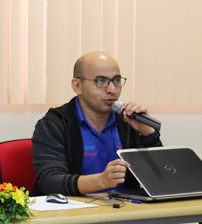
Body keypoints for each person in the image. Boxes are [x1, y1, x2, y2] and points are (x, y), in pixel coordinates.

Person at [32, 51, 162, 196]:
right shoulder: (55, 124)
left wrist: (148, 134)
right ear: (77, 85)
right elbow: (50, 182)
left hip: (125, 210)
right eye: (101, 81)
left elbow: (162, 176)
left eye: (117, 80)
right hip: (71, 212)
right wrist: (101, 181)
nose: (112, 90)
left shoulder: (127, 121)